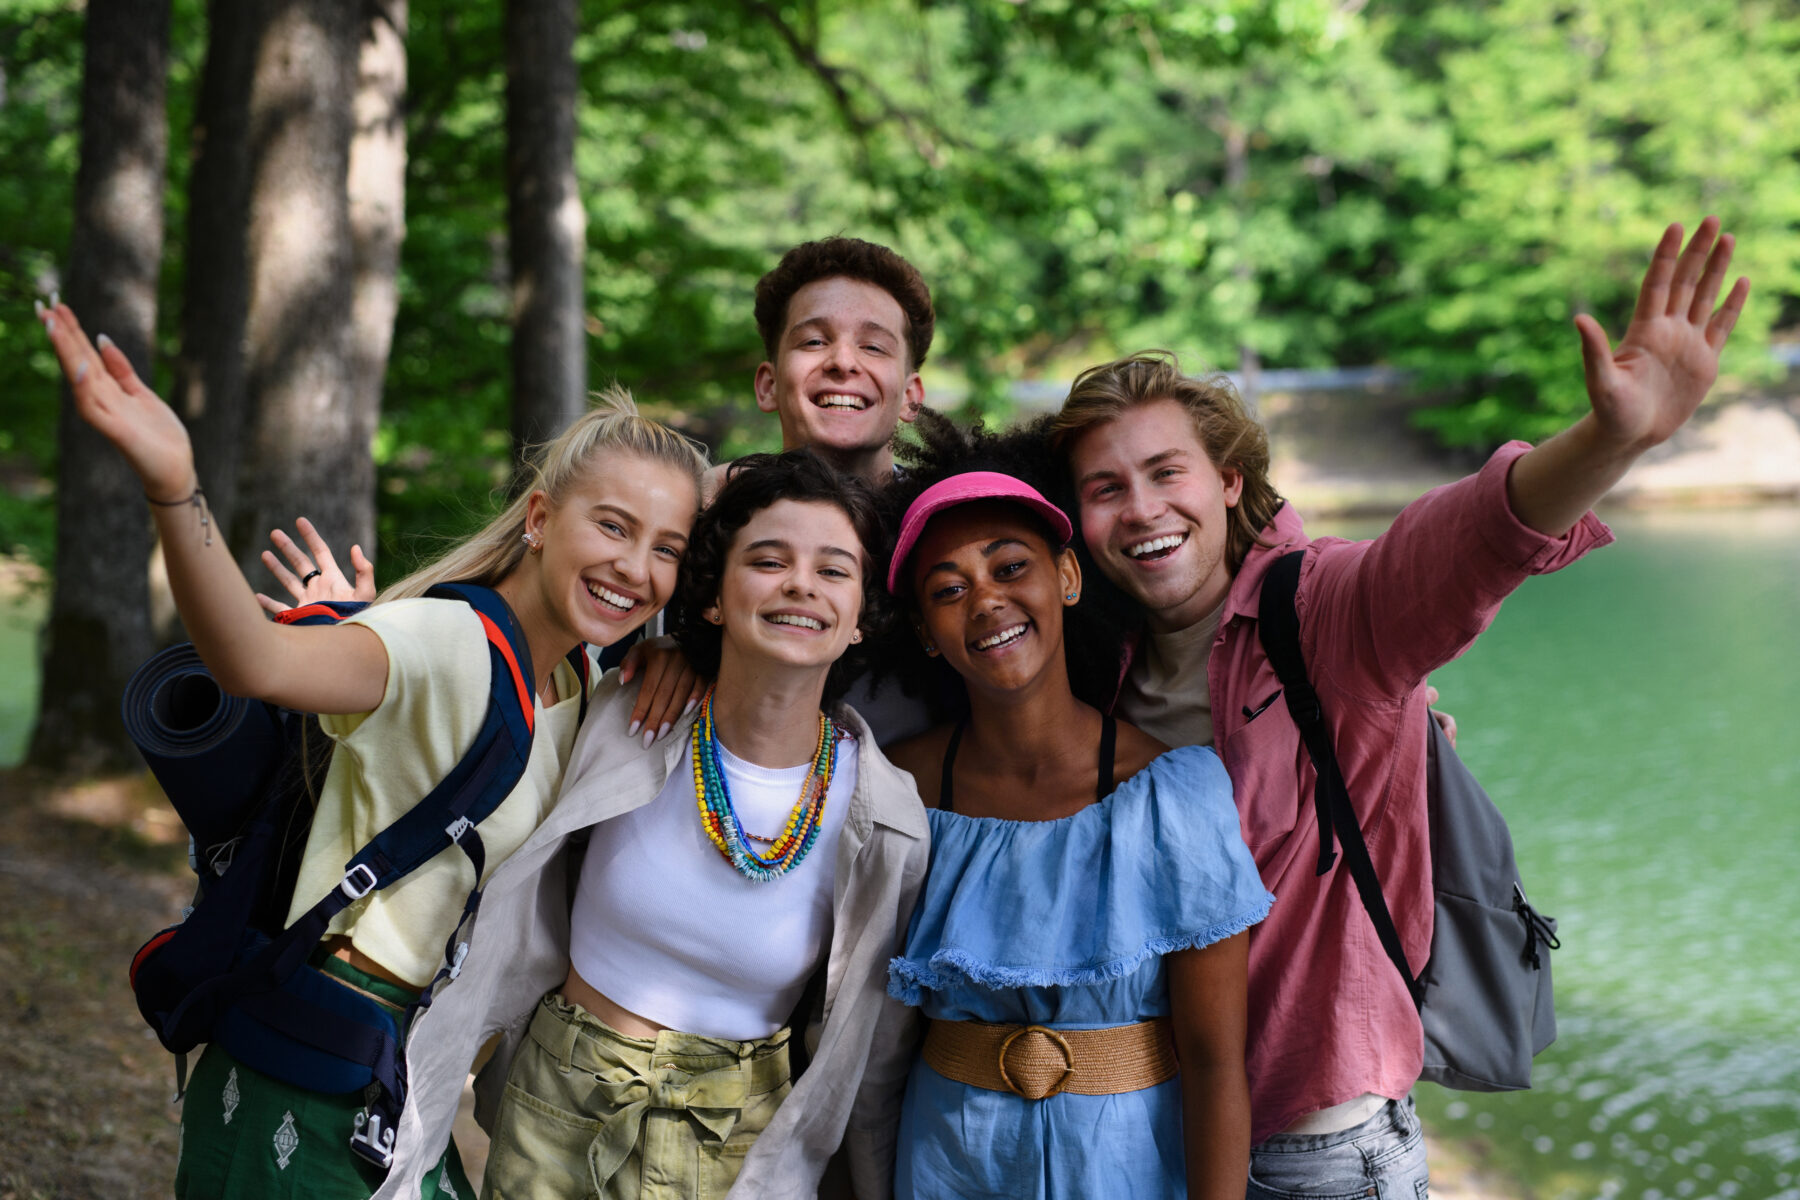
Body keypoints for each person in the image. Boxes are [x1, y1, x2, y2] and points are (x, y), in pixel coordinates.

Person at [1043, 218, 1748, 1195]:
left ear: (1227, 483)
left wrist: (1608, 439)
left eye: (1167, 474)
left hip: (1315, 1148)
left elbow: (1460, 545)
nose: (1143, 509)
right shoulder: (1096, 662)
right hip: (1147, 1132)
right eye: (1106, 490)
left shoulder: (1322, 612)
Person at [35, 299, 707, 1197]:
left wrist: (684, 649)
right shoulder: (448, 644)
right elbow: (254, 657)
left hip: (406, 1080)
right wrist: (173, 486)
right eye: (614, 527)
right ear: (541, 518)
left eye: (668, 549)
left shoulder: (579, 681)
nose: (638, 568)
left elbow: (770, 513)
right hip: (310, 1067)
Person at [367, 451, 930, 1200]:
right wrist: (379, 644)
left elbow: (872, 1055)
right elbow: (467, 719)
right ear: (712, 596)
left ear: (861, 618)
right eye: (768, 560)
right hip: (556, 1109)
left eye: (833, 571)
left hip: (739, 1146)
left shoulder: (887, 821)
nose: (800, 583)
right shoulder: (622, 719)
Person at [873, 420, 1274, 1200]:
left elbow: (1217, 1061)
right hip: (946, 1162)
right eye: (948, 590)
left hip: (1126, 1165)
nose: (986, 600)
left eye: (1011, 567)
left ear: (1067, 577)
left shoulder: (1169, 793)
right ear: (925, 632)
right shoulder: (898, 788)